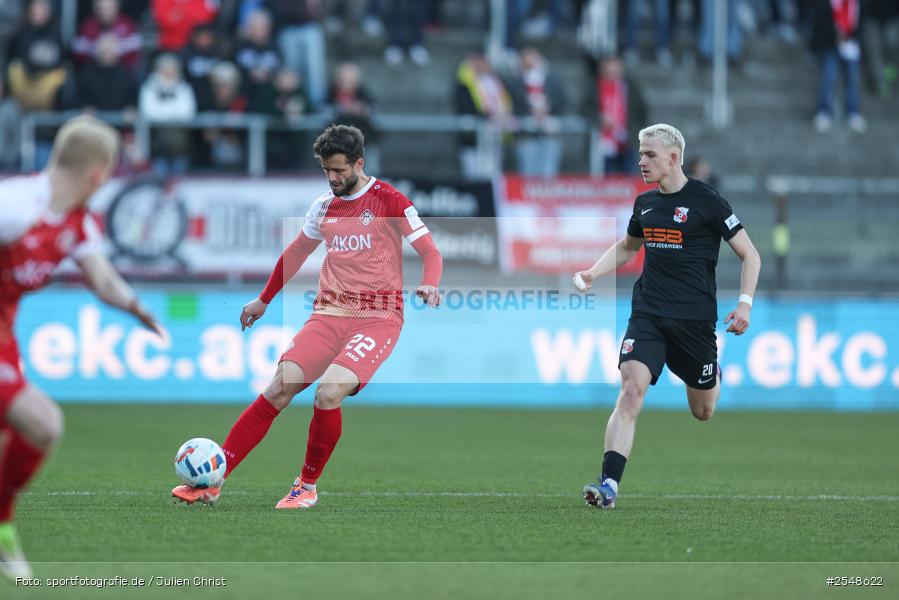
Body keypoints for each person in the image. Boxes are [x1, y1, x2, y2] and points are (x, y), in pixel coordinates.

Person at [171, 124, 443, 508]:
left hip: (377, 318)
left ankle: (306, 486)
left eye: (339, 171)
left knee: (329, 392)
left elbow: (431, 251)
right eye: (326, 171)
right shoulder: (323, 207)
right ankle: (213, 482)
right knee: (277, 390)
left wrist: (430, 283)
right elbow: (296, 253)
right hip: (328, 315)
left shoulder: (390, 201)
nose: (332, 178)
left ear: (358, 164)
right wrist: (264, 300)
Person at [0, 116, 163, 579]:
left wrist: (134, 307)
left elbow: (102, 277)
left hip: (4, 338)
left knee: (42, 428)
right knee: (42, 421)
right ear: (99, 174)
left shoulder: (76, 222)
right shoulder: (14, 208)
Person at [572, 123, 761, 509]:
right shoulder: (645, 204)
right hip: (649, 315)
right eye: (641, 154)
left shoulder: (709, 201)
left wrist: (745, 303)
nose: (641, 161)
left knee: (702, 411)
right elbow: (628, 247)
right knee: (630, 393)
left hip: (693, 323)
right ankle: (609, 486)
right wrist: (593, 272)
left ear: (673, 158)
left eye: (649, 154)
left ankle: (712, 373)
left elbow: (750, 254)